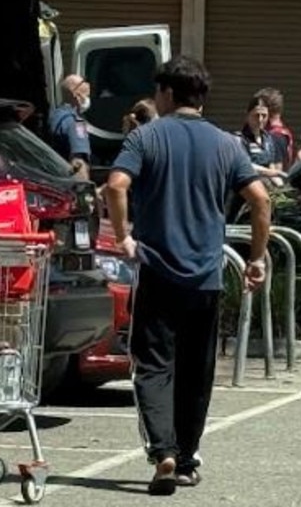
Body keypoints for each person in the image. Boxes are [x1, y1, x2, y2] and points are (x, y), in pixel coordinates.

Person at [103, 56, 271, 494]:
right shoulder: (227, 144)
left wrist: (124, 237)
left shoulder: (146, 137)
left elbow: (116, 185)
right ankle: (188, 457)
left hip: (158, 271)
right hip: (206, 276)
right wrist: (256, 257)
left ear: (168, 94)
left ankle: (163, 452)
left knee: (154, 366)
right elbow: (260, 200)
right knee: (197, 370)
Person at [235, 95, 286, 186]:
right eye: (256, 115)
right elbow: (247, 166)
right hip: (247, 189)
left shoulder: (268, 139)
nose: (260, 120)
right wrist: (275, 173)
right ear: (248, 116)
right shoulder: (239, 139)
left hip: (267, 187)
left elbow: (271, 166)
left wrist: (282, 187)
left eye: (264, 115)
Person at [49, 74, 93, 179]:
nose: (88, 87)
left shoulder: (55, 115)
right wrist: (85, 190)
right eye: (84, 83)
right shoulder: (77, 123)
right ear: (75, 93)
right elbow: (78, 163)